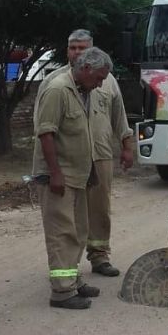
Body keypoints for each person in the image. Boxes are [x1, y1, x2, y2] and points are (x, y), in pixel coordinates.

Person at [34, 29, 133, 277]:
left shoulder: (105, 79)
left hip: (99, 154)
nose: (76, 52)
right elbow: (45, 129)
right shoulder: (56, 84)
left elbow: (118, 115)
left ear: (91, 51)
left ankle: (99, 256)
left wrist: (127, 145)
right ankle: (69, 270)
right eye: (72, 48)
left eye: (81, 47)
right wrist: (50, 171)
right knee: (69, 218)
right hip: (69, 161)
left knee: (99, 209)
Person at [32, 46, 113, 309]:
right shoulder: (58, 90)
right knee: (61, 232)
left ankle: (73, 281)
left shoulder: (83, 90)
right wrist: (55, 173)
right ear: (86, 69)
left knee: (78, 231)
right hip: (59, 177)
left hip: (78, 175)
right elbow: (46, 133)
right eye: (99, 77)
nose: (101, 83)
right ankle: (61, 292)